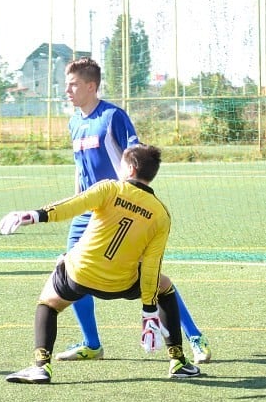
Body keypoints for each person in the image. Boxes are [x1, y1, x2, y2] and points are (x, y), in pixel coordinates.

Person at [0, 144, 201, 384]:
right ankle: (177, 360)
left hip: (80, 274)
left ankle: (41, 366)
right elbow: (151, 266)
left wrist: (35, 215)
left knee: (48, 303)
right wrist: (149, 310)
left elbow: (72, 205)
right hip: (122, 282)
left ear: (130, 167)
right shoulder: (161, 214)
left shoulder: (109, 188)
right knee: (165, 285)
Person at [58, 57, 212, 365]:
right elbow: (80, 168)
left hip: (119, 212)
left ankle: (194, 337)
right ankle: (91, 344)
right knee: (72, 272)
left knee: (150, 278)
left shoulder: (113, 116)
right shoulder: (74, 121)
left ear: (91, 86)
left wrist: (130, 201)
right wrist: (77, 203)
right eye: (66, 85)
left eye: (73, 84)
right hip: (87, 213)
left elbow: (135, 159)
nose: (67, 90)